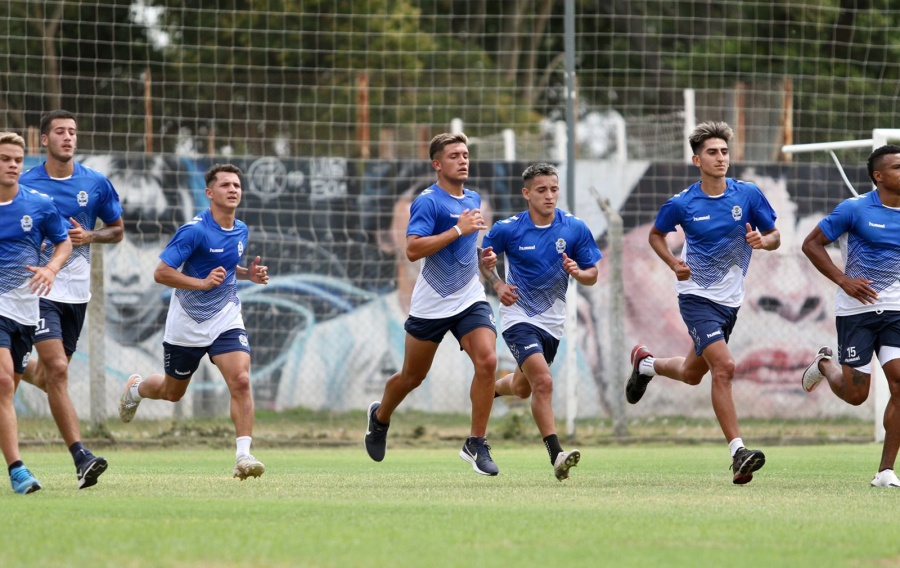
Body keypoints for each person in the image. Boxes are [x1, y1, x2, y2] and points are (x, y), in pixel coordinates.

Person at [624, 121, 781, 485]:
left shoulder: (748, 195)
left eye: (724, 151)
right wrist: (673, 263)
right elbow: (655, 235)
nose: (720, 158)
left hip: (730, 303)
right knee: (724, 367)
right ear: (697, 159)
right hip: (696, 297)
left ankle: (646, 365)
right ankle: (738, 452)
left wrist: (764, 241)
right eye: (712, 152)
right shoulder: (683, 203)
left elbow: (774, 235)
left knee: (693, 374)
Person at [117, 163, 270, 480]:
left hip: (226, 316)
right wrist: (201, 284)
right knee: (173, 393)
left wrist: (247, 274)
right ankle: (136, 389)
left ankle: (243, 456)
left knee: (240, 380)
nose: (232, 190)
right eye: (225, 185)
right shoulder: (195, 230)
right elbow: (161, 273)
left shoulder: (240, 230)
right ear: (209, 193)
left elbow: (224, 266)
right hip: (187, 322)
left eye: (236, 186)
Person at [364, 132, 502, 476]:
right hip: (432, 304)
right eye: (454, 155)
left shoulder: (474, 197)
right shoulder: (427, 201)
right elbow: (413, 249)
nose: (463, 160)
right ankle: (380, 417)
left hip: (470, 297)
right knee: (412, 377)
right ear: (437, 165)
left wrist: (484, 259)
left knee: (487, 361)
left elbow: (466, 247)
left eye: (466, 154)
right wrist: (457, 230)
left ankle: (476, 443)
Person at [18, 110, 124, 489]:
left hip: (77, 293)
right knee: (60, 370)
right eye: (60, 132)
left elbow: (117, 231)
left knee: (49, 375)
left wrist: (90, 237)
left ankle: (14, 366)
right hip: (37, 287)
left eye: (73, 132)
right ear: (43, 140)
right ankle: (81, 457)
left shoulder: (95, 183)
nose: (68, 138)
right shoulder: (25, 183)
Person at [482, 163, 601, 481]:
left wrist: (579, 272)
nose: (549, 196)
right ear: (526, 193)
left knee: (523, 388)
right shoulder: (509, 228)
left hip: (553, 323)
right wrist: (497, 283)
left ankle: (490, 390)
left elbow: (593, 274)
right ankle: (557, 455)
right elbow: (484, 258)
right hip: (518, 317)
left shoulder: (574, 228)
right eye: (541, 190)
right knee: (544, 382)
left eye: (554, 189)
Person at [800, 144, 900, 488]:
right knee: (857, 395)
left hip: (897, 313)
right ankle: (825, 365)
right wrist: (844, 280)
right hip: (856, 312)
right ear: (879, 176)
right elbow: (811, 244)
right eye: (898, 167)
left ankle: (886, 471)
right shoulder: (853, 209)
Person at [0, 131, 72, 493]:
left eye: (17, 159)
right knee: (0, 383)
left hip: (24, 311)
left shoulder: (39, 204)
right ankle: (18, 470)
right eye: (4, 159)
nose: (12, 165)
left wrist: (52, 268)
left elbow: (64, 241)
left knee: (6, 393)